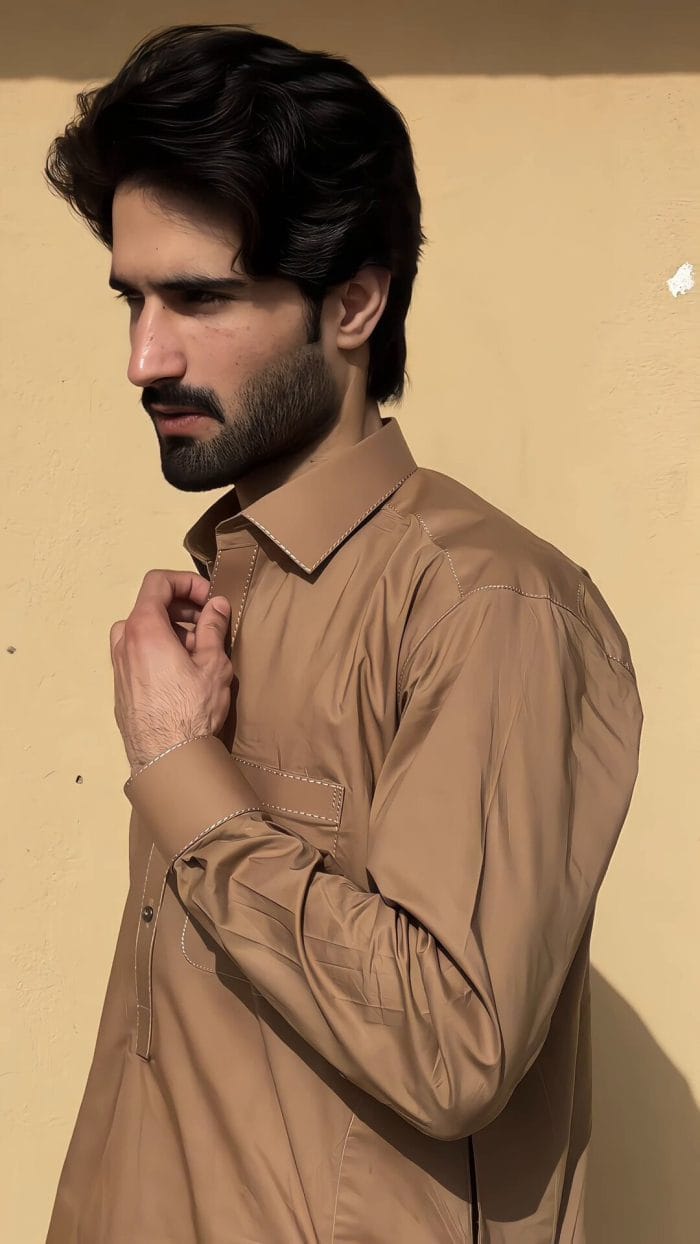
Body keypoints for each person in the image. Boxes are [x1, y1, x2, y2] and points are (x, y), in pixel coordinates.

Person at [43, 23, 643, 1244]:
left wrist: (184, 776)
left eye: (200, 298)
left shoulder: (484, 606)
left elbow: (452, 1041)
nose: (144, 357)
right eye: (132, 299)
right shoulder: (228, 593)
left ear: (354, 302)